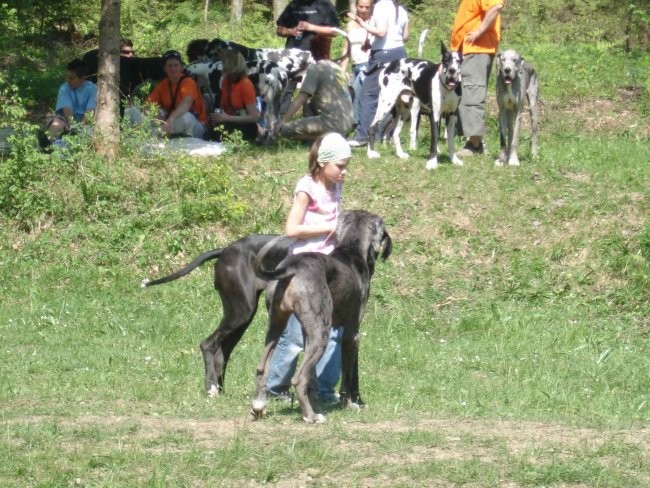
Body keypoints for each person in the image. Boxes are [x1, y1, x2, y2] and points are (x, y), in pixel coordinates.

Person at [266, 132, 352, 406]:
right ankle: (275, 388)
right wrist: (329, 228)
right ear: (323, 162)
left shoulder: (335, 184)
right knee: (295, 334)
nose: (344, 171)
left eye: (346, 165)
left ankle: (324, 391)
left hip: (329, 270)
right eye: (340, 165)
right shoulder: (307, 188)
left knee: (333, 330)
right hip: (303, 269)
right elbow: (291, 229)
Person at [347, 0, 409, 147]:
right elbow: (405, 36)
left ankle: (363, 136)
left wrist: (361, 23)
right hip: (400, 53)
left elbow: (381, 32)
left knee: (368, 95)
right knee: (391, 97)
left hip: (382, 55)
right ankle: (382, 135)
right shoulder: (401, 10)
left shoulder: (381, 6)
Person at [450, 0, 504, 156]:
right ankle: (474, 141)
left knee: (472, 94)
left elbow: (496, 7)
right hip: (468, 50)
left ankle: (475, 145)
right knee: (466, 94)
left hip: (478, 49)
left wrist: (479, 31)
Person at [276, 0, 341, 116]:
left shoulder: (324, 5)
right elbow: (279, 29)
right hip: (292, 56)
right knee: (286, 88)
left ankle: (312, 121)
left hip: (316, 55)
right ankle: (281, 121)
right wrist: (291, 31)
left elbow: (334, 31)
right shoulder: (294, 4)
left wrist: (311, 27)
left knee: (313, 91)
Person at [126, 50, 207, 138]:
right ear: (164, 68)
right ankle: (153, 134)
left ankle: (152, 135)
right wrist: (155, 114)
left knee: (186, 117)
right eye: (170, 66)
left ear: (181, 67)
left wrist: (171, 119)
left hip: (195, 124)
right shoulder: (163, 84)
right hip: (170, 123)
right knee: (131, 111)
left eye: (176, 65)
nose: (173, 69)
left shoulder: (188, 82)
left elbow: (186, 104)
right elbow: (147, 105)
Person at [273, 60, 353, 143]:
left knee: (286, 130)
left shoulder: (316, 68)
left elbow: (301, 98)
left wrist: (283, 122)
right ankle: (335, 135)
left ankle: (321, 139)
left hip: (333, 124)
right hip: (347, 123)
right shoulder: (337, 67)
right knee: (310, 99)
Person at [204, 50, 265, 143]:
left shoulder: (245, 84)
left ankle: (259, 134)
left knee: (217, 135)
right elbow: (223, 106)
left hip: (245, 125)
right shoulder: (226, 81)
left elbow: (254, 116)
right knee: (208, 134)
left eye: (224, 62)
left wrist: (227, 118)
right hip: (230, 121)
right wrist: (217, 117)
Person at [38, 58, 97, 151]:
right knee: (56, 125)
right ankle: (46, 144)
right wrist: (71, 126)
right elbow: (67, 111)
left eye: (72, 78)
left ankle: (64, 147)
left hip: (86, 120)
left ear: (82, 78)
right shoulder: (64, 88)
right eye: (67, 77)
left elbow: (90, 111)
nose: (68, 80)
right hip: (66, 119)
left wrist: (79, 127)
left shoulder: (92, 88)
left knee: (88, 131)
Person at [340, 0, 373, 129]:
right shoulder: (350, 26)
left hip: (368, 65)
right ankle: (354, 127)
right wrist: (343, 69)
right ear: (356, 6)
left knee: (359, 97)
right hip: (355, 66)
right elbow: (346, 49)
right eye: (361, 6)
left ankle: (359, 129)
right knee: (351, 97)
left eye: (367, 7)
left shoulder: (373, 22)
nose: (363, 10)